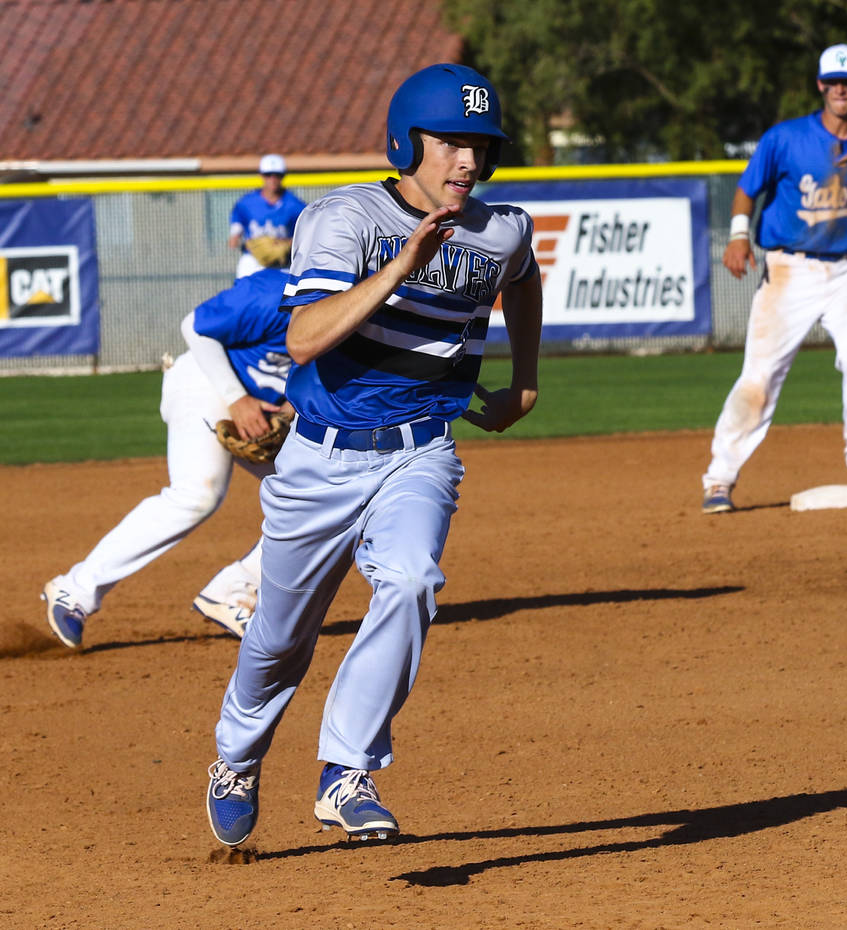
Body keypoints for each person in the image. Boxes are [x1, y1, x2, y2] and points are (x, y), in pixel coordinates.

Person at [204, 63, 542, 848]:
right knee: (281, 640)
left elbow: (520, 276)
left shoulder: (500, 228)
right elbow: (301, 338)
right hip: (320, 459)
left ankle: (345, 770)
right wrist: (401, 267)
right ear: (406, 141)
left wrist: (524, 380)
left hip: (420, 452)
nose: (467, 161)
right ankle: (235, 756)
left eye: (480, 146)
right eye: (451, 142)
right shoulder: (345, 219)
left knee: (415, 578)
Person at [701, 43, 847, 514]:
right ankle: (719, 478)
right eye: (833, 82)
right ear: (820, 85)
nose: (841, 89)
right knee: (759, 379)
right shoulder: (786, 139)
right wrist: (738, 238)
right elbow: (747, 189)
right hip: (788, 270)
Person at [40, 268, 295, 648]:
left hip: (261, 407)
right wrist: (236, 399)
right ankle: (74, 591)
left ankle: (234, 590)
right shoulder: (277, 291)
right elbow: (195, 326)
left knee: (317, 497)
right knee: (197, 493)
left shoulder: (367, 314)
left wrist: (287, 414)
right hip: (206, 381)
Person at [228, 154, 307, 279]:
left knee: (284, 296)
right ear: (261, 175)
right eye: (268, 175)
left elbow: (306, 232)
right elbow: (237, 223)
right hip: (253, 259)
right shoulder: (247, 202)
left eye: (277, 175)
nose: (273, 179)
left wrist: (287, 243)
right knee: (244, 293)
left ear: (283, 176)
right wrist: (237, 237)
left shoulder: (295, 205)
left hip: (282, 262)